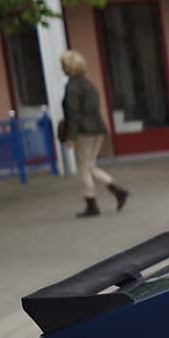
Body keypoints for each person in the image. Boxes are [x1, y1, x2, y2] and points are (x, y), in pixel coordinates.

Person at [56, 51, 127, 218]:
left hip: (83, 132)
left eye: (63, 65)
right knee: (90, 165)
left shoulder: (72, 87)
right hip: (98, 129)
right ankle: (116, 190)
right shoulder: (89, 84)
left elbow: (73, 114)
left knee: (84, 167)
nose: (61, 68)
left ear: (68, 67)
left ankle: (92, 203)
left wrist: (71, 137)